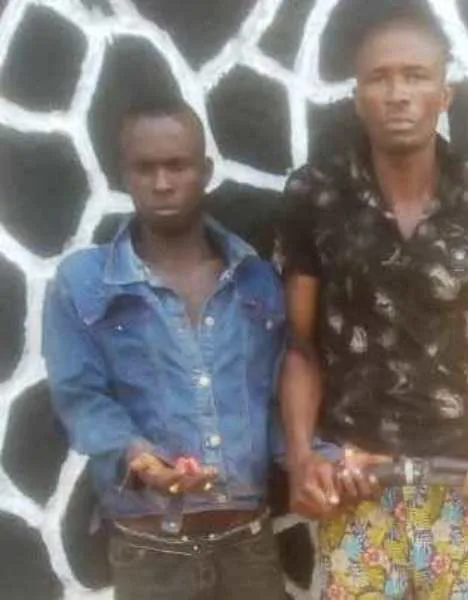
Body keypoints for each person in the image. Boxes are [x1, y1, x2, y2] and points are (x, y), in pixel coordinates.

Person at [276, 6, 468, 598]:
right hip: (356, 485)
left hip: (461, 487)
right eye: (379, 78)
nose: (397, 94)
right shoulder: (315, 195)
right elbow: (299, 346)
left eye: (416, 76)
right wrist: (302, 459)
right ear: (357, 97)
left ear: (445, 94)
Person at [43, 99, 287, 600]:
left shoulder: (257, 280)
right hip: (149, 554)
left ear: (206, 171)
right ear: (123, 175)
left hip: (248, 547)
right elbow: (80, 397)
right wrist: (138, 457)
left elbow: (281, 397)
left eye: (177, 165)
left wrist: (319, 458)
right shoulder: (83, 282)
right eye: (145, 168)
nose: (162, 182)